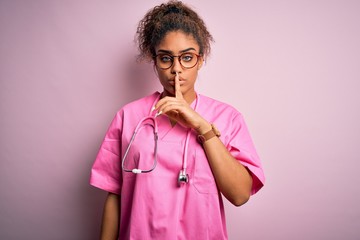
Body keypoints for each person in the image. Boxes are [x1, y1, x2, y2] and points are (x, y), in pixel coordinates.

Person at [90, 1, 265, 239]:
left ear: (200, 60)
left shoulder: (227, 117)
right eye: (166, 58)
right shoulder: (129, 116)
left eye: (187, 57)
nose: (176, 69)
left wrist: (202, 126)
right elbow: (115, 194)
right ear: (155, 61)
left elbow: (240, 195)